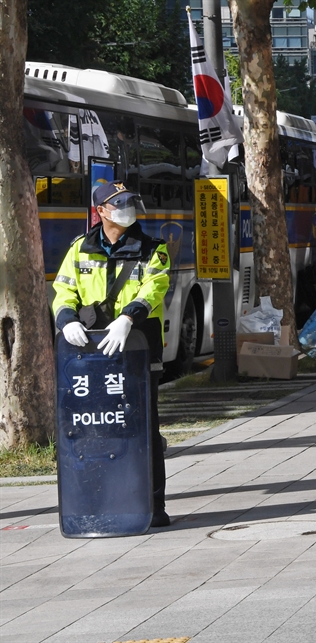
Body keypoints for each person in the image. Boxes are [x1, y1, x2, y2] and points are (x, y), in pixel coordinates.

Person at [52, 181, 172, 527]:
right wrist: (65, 320)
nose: (127, 209)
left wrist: (127, 318)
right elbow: (63, 289)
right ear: (101, 211)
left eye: (130, 202)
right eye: (118, 204)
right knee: (95, 427)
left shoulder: (152, 248)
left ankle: (152, 507)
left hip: (137, 349)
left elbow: (156, 285)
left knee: (142, 428)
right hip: (90, 355)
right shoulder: (79, 249)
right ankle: (99, 501)